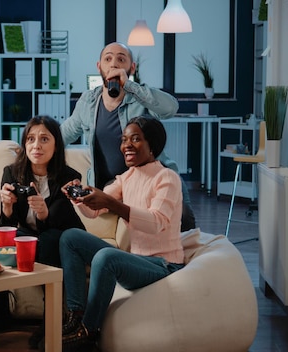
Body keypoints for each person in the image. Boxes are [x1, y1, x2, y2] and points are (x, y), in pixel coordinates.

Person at [60, 116, 185, 351]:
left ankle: (89, 330)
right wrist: (79, 199)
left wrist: (113, 203)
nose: (126, 144)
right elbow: (94, 212)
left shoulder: (167, 178)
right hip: (136, 260)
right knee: (70, 237)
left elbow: (156, 222)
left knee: (106, 257)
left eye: (135, 139)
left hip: (163, 264)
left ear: (152, 145)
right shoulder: (126, 178)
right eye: (124, 139)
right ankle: (75, 316)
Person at [0, 115, 86, 348]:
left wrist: (44, 213)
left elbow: (59, 221)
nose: (37, 145)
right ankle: (0, 311)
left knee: (48, 240)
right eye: (31, 139)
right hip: (28, 234)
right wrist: (6, 207)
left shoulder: (69, 177)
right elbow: (7, 224)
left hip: (61, 234)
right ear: (25, 144)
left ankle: (51, 319)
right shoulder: (12, 172)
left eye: (45, 139)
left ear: (56, 145)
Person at [60, 41, 196, 231]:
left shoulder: (140, 96)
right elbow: (61, 135)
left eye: (121, 59)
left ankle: (185, 256)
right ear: (99, 67)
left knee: (183, 214)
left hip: (153, 175)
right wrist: (28, 148)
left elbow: (170, 108)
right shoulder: (88, 101)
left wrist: (130, 86)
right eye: (108, 59)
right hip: (113, 182)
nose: (114, 64)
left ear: (131, 67)